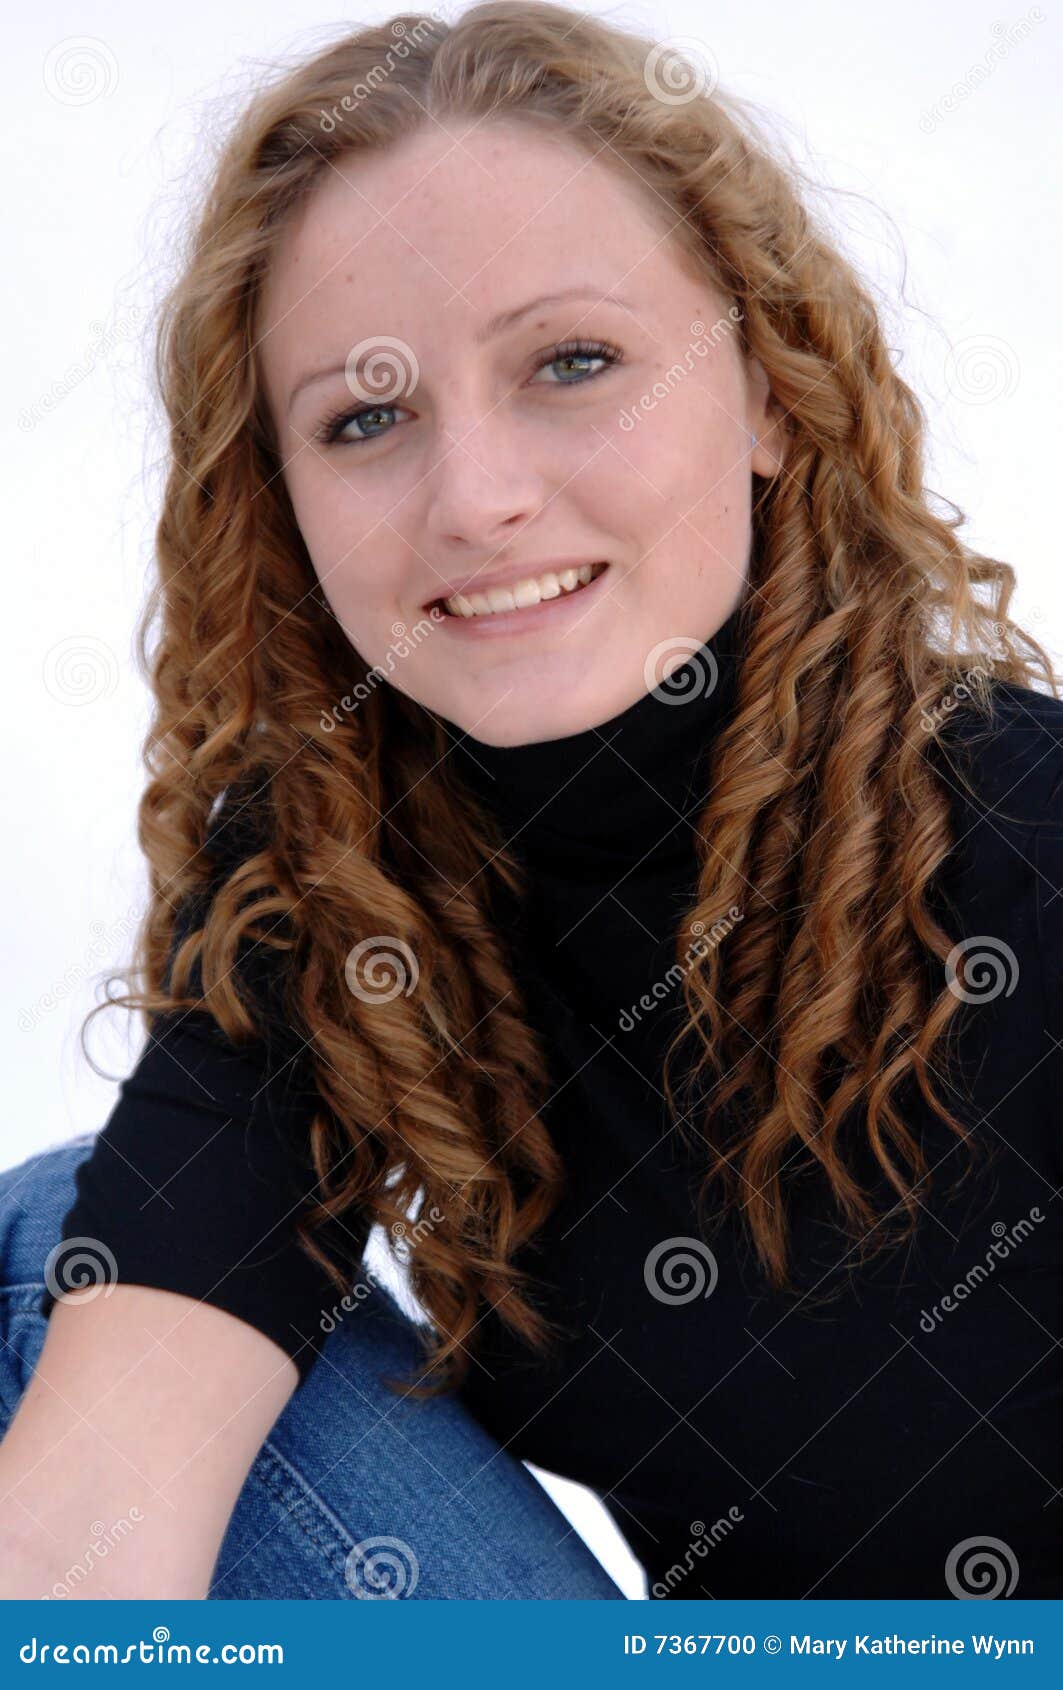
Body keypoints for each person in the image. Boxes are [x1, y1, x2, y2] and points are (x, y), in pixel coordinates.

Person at [2, 1, 1061, 1602]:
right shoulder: (340, 886)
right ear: (280, 500)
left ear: (770, 392)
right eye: (367, 417)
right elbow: (85, 1536)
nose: (477, 497)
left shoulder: (1026, 836)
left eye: (574, 363)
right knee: (52, 1249)